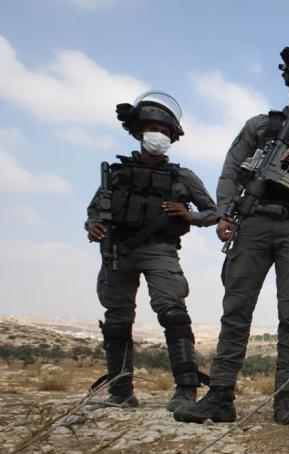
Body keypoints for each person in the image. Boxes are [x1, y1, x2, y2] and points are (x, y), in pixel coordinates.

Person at [173, 40, 289, 425]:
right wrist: (224, 214)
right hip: (252, 222)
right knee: (236, 310)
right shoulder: (261, 126)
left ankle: (285, 400)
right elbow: (231, 170)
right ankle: (220, 396)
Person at [86, 91, 217, 411]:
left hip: (160, 250)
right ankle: (120, 393)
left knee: (173, 313)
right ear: (138, 132)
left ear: (172, 137)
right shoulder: (116, 175)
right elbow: (94, 211)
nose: (158, 136)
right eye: (152, 129)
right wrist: (93, 226)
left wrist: (188, 215)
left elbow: (214, 213)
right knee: (117, 321)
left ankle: (186, 389)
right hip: (118, 250)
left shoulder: (182, 177)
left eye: (165, 131)